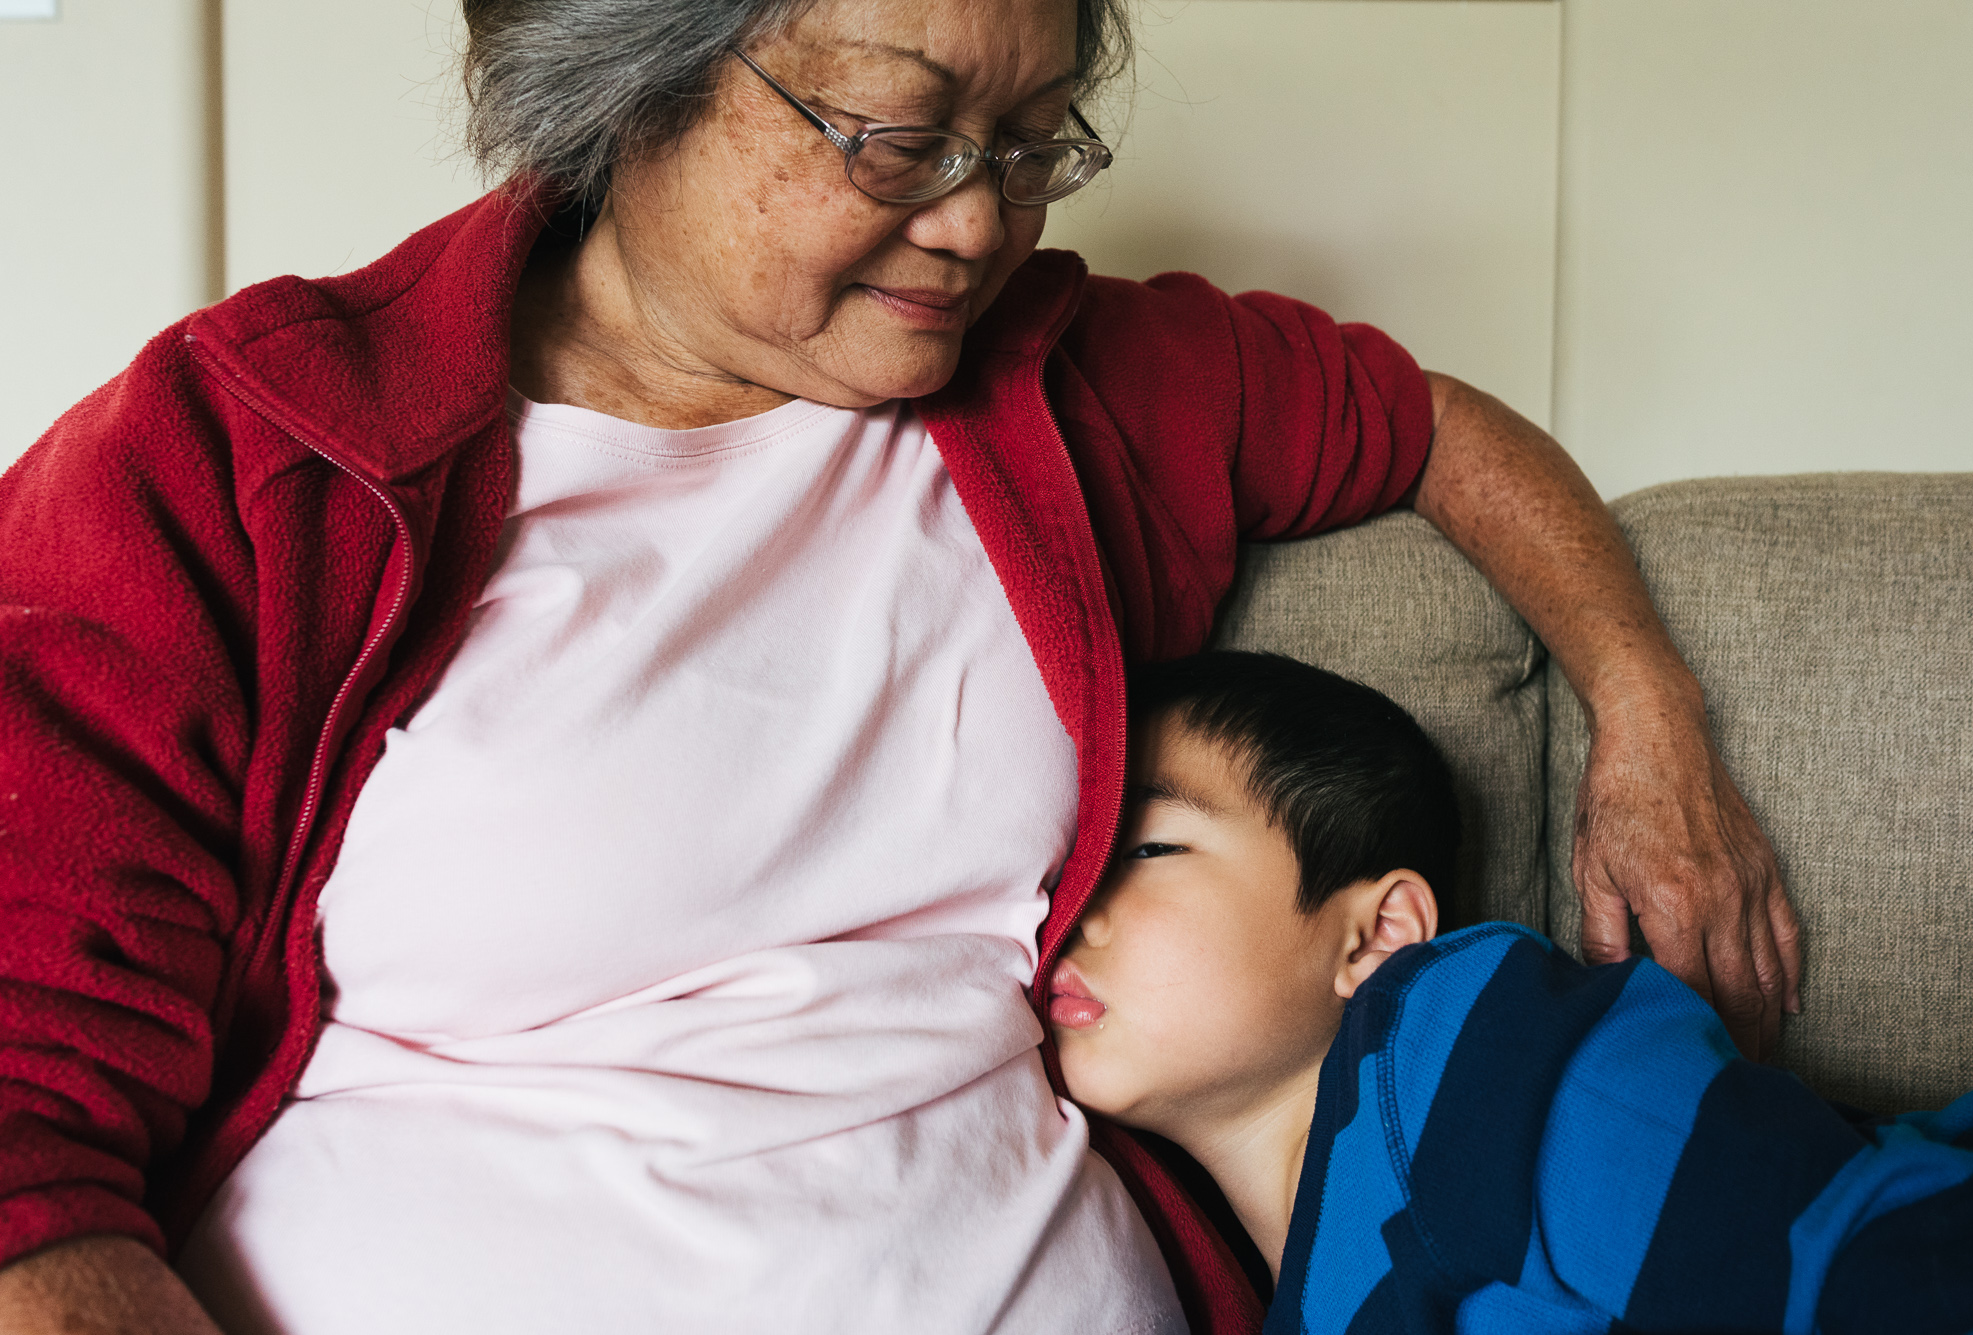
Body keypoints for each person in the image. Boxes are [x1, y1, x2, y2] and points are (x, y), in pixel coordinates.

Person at [0, 0, 1797, 1330]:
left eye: (1030, 141)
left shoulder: (1065, 397)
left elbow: (1425, 425)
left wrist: (1650, 720)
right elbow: (25, 1120)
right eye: (894, 135)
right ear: (623, 88)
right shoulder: (251, 452)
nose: (976, 223)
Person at [1053, 650, 1973, 1334]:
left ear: (1376, 935)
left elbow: (1857, 1263)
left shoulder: (1458, 1044)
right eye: (1067, 865)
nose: (1073, 903)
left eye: (1143, 848)